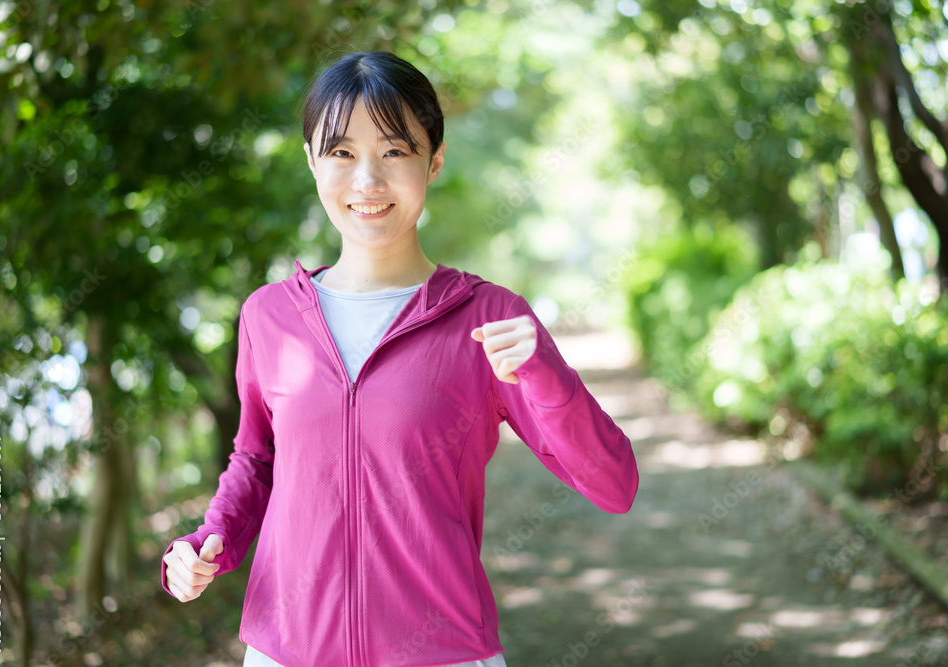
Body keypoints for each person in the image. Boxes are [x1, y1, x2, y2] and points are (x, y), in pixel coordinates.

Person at [161, 49, 639, 667]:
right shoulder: (267, 316)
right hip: (287, 653)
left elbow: (615, 485)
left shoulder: (487, 318)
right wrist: (208, 544)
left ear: (433, 161)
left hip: (444, 655)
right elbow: (258, 459)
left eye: (394, 151)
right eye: (341, 152)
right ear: (311, 161)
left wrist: (548, 379)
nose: (367, 181)